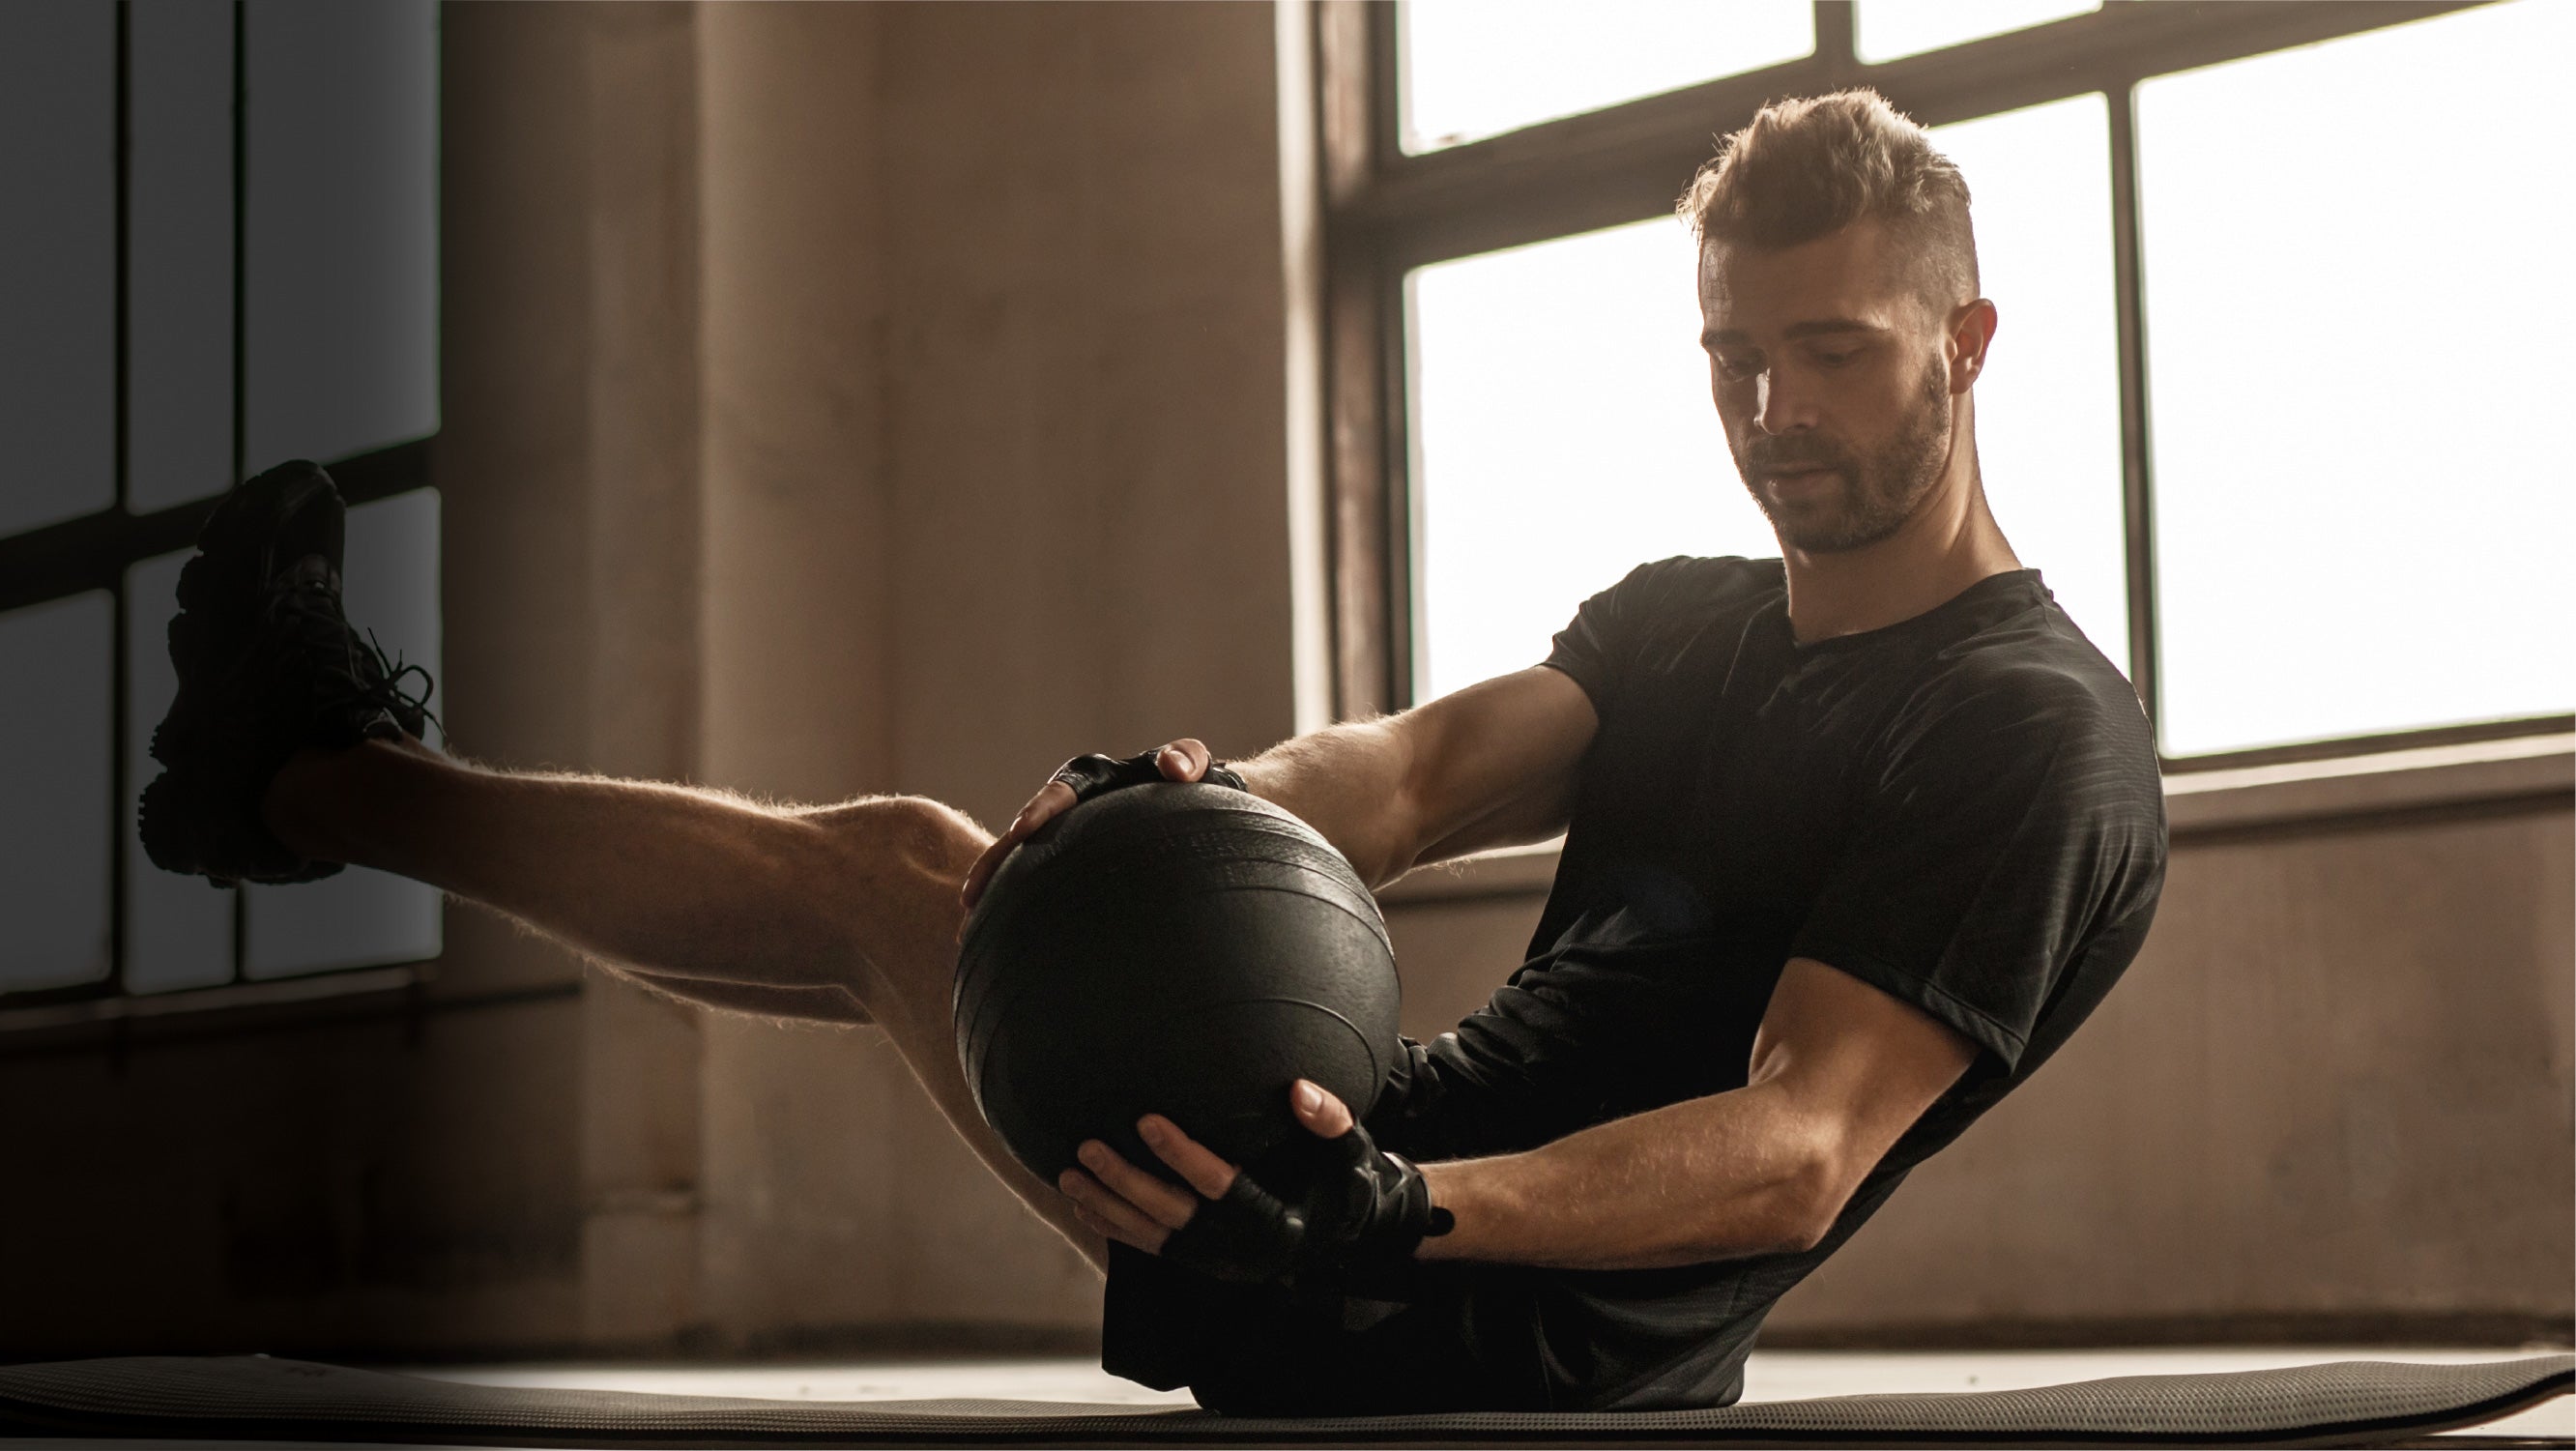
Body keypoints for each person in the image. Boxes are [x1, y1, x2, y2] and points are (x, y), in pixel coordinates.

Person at [135, 89, 2163, 1415]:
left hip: (1490, 1325)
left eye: (1834, 354)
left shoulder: (2028, 733)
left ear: (1967, 345)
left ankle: (320, 776)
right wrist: (1197, 807)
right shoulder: (1696, 622)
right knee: (940, 893)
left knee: (891, 887)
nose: (1771, 408)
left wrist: (1403, 1207)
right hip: (1346, 1161)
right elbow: (1414, 773)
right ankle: (313, 781)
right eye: (1733, 354)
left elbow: (1799, 1145)